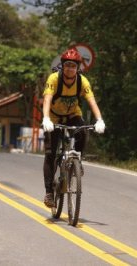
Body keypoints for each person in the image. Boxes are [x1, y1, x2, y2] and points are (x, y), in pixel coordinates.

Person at [41, 48, 105, 208]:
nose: (70, 69)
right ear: (62, 66)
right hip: (54, 117)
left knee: (83, 131)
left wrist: (99, 120)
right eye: (67, 65)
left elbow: (91, 101)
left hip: (72, 115)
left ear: (78, 68)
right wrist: (46, 118)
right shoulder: (54, 78)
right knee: (51, 153)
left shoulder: (82, 81)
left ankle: (77, 160)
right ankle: (49, 192)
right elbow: (47, 98)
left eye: (73, 66)